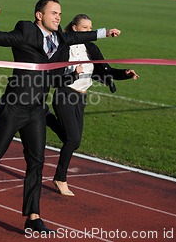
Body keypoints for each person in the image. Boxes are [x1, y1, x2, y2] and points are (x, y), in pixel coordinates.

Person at [0, 0, 121, 233]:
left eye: (60, 13)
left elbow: (77, 40)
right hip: (14, 105)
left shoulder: (60, 38)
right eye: (54, 13)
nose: (58, 17)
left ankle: (33, 217)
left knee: (36, 163)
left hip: (37, 109)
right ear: (39, 15)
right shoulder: (26, 31)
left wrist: (103, 33)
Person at [47, 13, 139, 197]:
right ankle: (60, 178)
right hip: (65, 94)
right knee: (72, 140)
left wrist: (124, 74)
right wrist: (73, 74)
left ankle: (45, 116)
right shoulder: (64, 47)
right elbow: (53, 78)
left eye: (90, 28)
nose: (89, 31)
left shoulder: (92, 48)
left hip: (81, 99)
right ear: (75, 29)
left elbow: (103, 71)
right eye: (85, 28)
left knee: (74, 141)